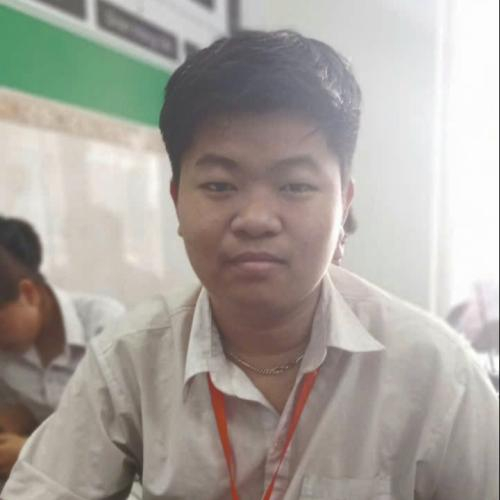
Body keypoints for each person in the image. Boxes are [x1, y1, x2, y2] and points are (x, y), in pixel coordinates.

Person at [3, 30, 498, 500]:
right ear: (177, 202)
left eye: (295, 186)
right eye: (220, 185)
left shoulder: (437, 373)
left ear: (344, 204)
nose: (257, 219)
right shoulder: (131, 359)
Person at [0, 216, 125, 485]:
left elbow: (125, 439)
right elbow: (22, 413)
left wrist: (31, 451)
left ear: (29, 293)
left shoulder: (105, 327)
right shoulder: (7, 355)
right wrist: (17, 417)